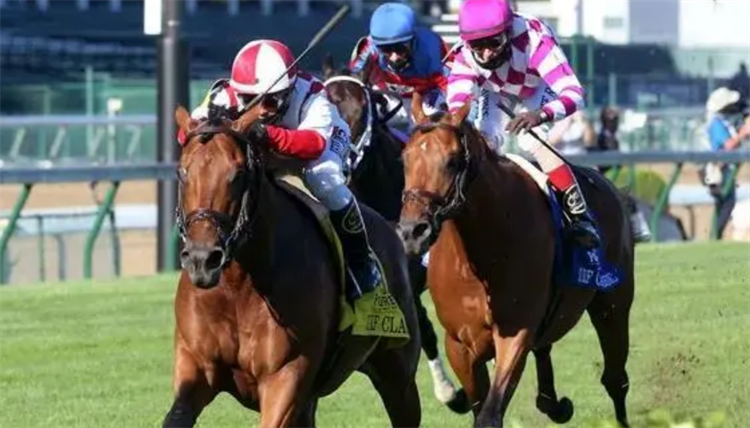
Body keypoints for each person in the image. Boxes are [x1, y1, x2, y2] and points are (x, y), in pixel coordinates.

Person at [185, 39, 382, 299]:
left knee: (324, 180)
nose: (261, 108)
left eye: (271, 101)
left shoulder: (313, 96)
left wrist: (267, 134)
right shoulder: (223, 95)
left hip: (322, 141)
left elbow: (314, 145)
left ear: (288, 90)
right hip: (267, 147)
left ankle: (360, 261)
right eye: (250, 99)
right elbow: (187, 133)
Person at [446, 0, 600, 248]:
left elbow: (574, 93)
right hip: (493, 89)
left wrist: (540, 115)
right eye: (477, 45)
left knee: (531, 138)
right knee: (484, 140)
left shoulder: (535, 40)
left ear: (508, 32)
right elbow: (455, 110)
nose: (486, 53)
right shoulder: (463, 56)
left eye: (494, 42)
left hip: (537, 83)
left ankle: (579, 216)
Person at [349, 2, 452, 135]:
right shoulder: (368, 48)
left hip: (427, 93)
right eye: (386, 49)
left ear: (413, 40)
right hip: (387, 94)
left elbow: (449, 88)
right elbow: (353, 83)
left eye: (400, 48)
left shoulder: (431, 49)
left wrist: (418, 105)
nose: (394, 57)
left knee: (431, 121)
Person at [591, 106, 652, 243]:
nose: (615, 123)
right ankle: (639, 230)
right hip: (605, 178)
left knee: (629, 199)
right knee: (627, 199)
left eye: (616, 120)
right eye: (612, 121)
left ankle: (638, 230)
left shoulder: (614, 138)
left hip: (615, 176)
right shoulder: (601, 139)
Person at [703, 87, 750, 239]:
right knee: (726, 203)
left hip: (723, 167)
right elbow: (728, 145)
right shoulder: (716, 124)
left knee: (724, 204)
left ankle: (715, 236)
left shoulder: (724, 122)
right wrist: (743, 133)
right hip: (718, 169)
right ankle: (715, 236)